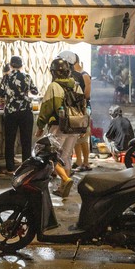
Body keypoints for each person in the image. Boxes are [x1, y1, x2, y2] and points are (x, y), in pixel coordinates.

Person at [35, 57, 83, 198]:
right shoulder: (76, 85)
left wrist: (40, 126)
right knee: (66, 157)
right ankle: (63, 188)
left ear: (54, 72)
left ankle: (65, 179)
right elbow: (83, 107)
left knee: (49, 155)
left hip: (58, 126)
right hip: (75, 126)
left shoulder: (54, 87)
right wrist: (83, 128)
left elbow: (46, 108)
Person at [0, 55, 39, 174]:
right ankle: (26, 167)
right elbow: (35, 91)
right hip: (25, 111)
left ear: (11, 65)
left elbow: (1, 93)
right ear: (22, 65)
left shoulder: (6, 78)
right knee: (26, 140)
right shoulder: (27, 76)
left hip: (11, 111)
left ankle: (10, 167)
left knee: (10, 140)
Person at [59, 51, 92, 171]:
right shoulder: (74, 75)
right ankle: (78, 161)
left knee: (83, 138)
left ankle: (86, 162)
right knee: (77, 138)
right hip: (77, 111)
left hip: (83, 110)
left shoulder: (83, 75)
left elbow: (87, 95)